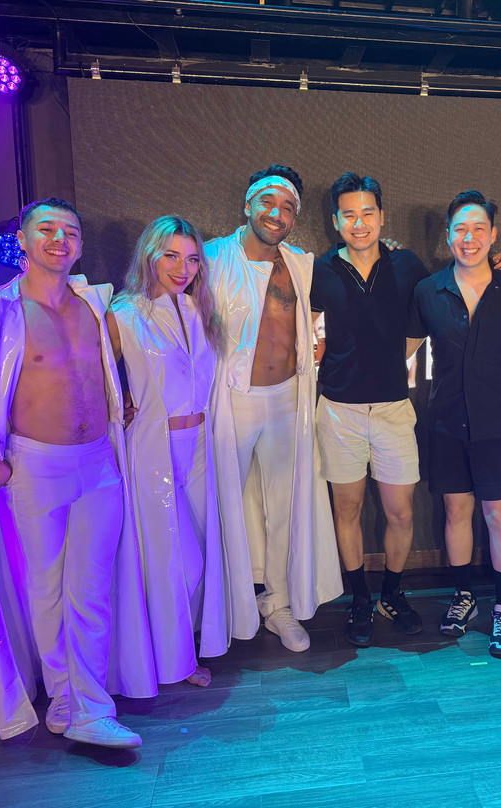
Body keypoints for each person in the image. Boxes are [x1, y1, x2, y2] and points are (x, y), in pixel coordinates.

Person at [0, 198, 144, 748]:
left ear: (80, 245)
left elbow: (101, 373)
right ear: (22, 241)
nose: (59, 239)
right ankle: (68, 699)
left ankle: (90, 707)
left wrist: (122, 403)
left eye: (70, 231)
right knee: (45, 590)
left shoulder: (95, 303)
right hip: (35, 467)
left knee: (91, 590)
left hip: (99, 464)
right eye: (46, 229)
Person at [109, 216, 260, 688]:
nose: (182, 268)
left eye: (192, 258)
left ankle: (176, 650)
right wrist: (118, 400)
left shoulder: (200, 310)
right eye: (171, 256)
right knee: (173, 561)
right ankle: (171, 662)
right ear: (149, 256)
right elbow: (92, 373)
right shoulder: (125, 313)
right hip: (152, 449)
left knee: (197, 558)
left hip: (199, 449)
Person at [204, 166, 342, 653]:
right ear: (247, 205)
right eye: (267, 201)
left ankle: (278, 604)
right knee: (224, 503)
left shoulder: (301, 264)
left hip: (287, 399)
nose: (276, 214)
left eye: (287, 207)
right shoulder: (211, 258)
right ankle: (223, 609)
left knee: (286, 506)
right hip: (233, 399)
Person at [407, 190, 501, 659]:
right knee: (456, 512)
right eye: (460, 229)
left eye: (479, 228)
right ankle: (463, 597)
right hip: (446, 421)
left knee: (499, 516)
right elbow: (402, 350)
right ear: (448, 236)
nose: (469, 237)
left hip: (500, 423)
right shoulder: (428, 291)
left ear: (493, 235)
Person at [311, 173, 429, 646]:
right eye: (349, 215)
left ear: (382, 216)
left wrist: (395, 357)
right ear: (335, 220)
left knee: (401, 513)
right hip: (339, 411)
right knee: (348, 509)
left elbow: (434, 308)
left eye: (367, 213)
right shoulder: (319, 270)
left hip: (394, 409)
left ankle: (391, 594)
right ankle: (359, 597)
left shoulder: (407, 264)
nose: (359, 223)